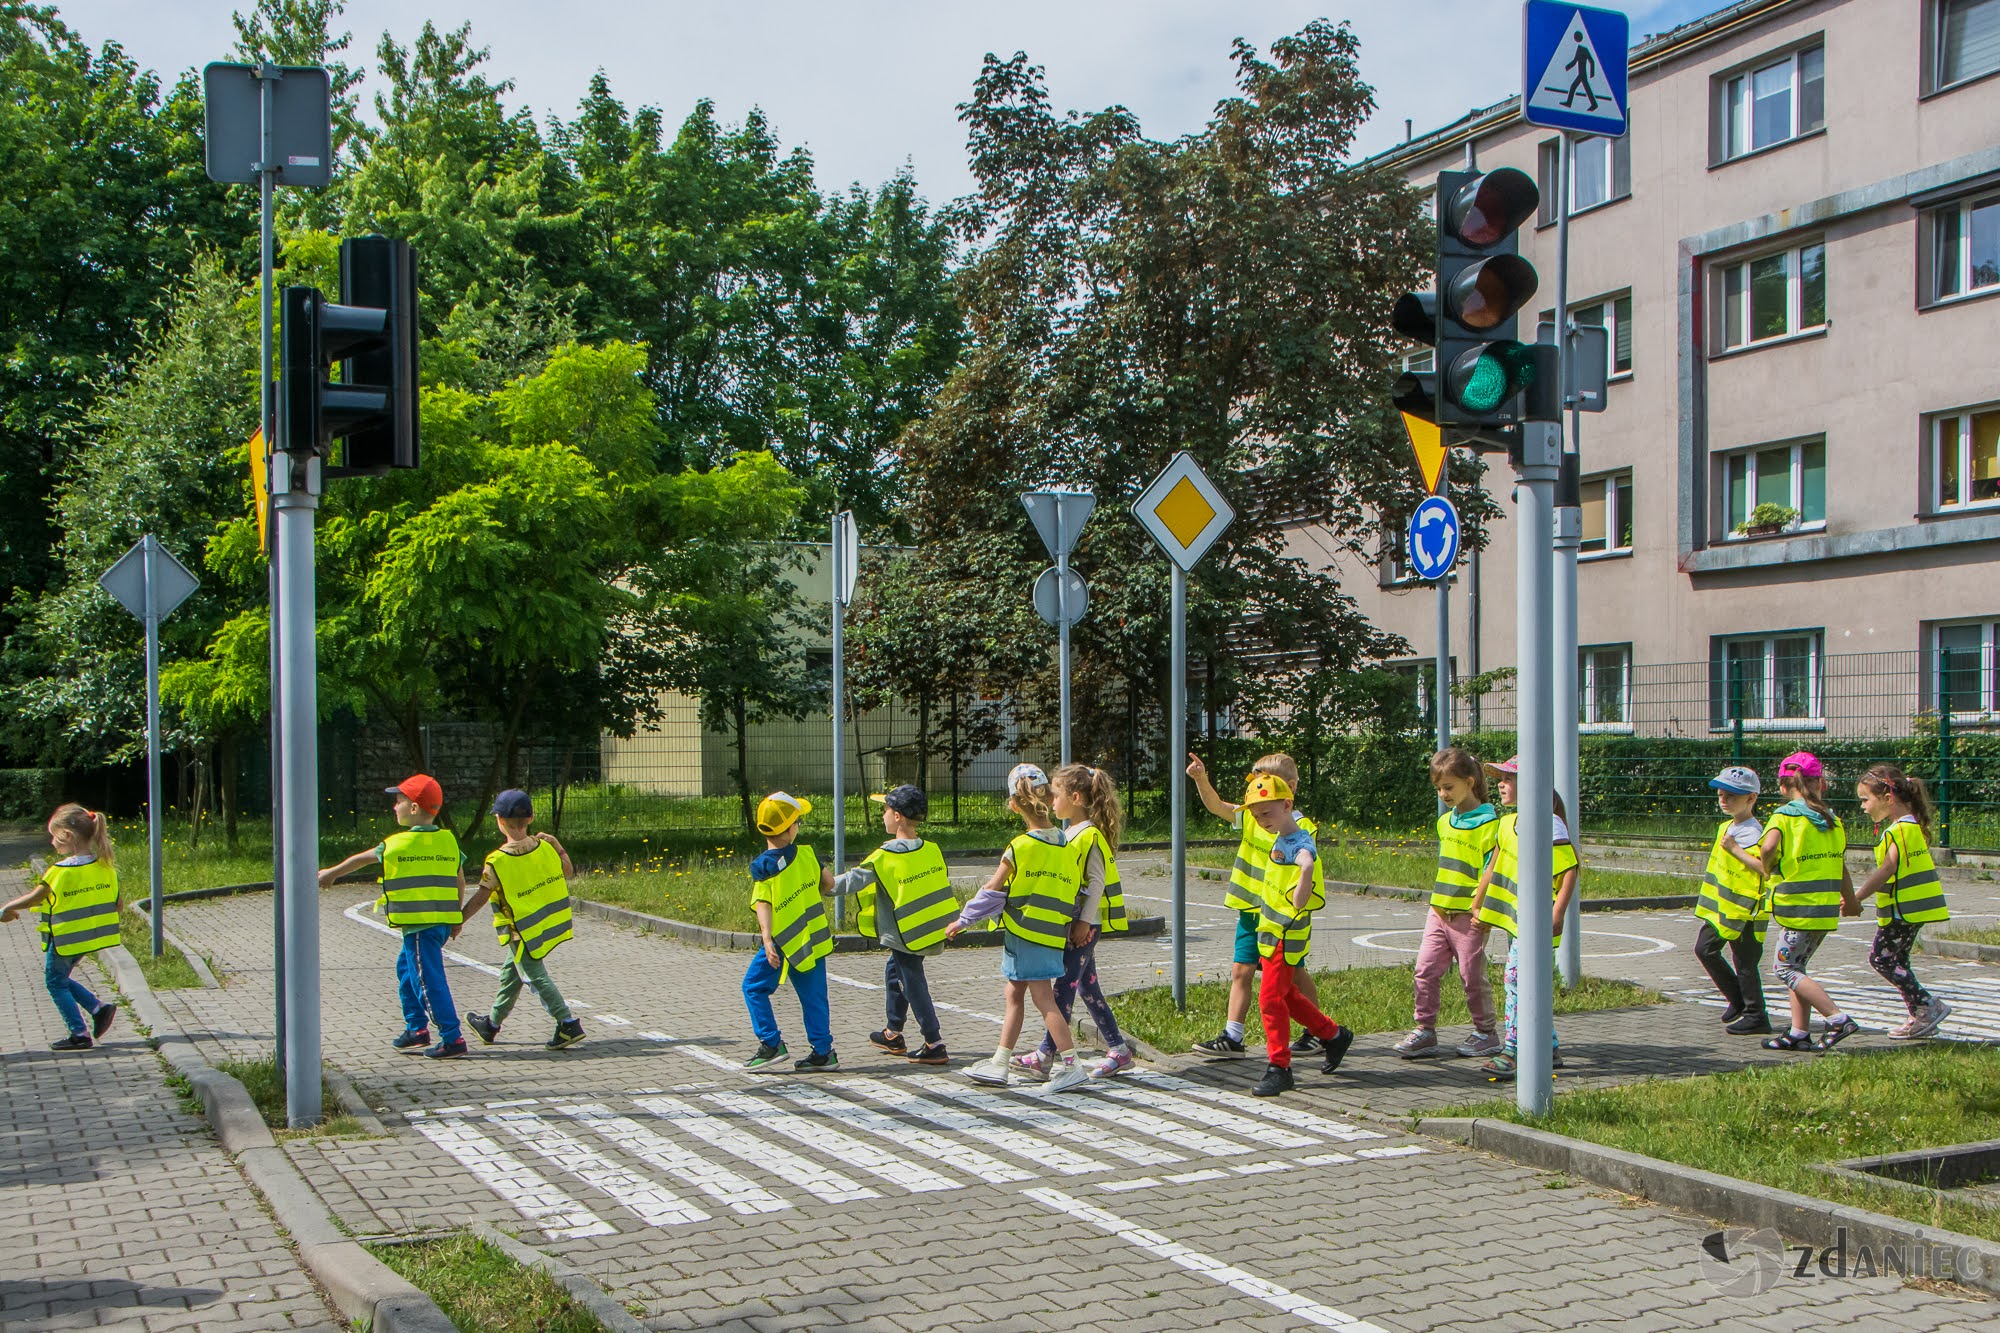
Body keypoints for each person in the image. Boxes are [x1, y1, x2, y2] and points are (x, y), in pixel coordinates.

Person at [944, 763, 1090, 1092]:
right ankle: (1000, 1061)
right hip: (1051, 933)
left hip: (1025, 933)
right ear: (1049, 796)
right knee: (1015, 993)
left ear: (1013, 804)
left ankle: (1071, 1064)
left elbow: (992, 890)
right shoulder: (1067, 844)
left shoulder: (1020, 846)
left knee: (1042, 999)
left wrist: (963, 920)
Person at [1185, 752, 1325, 1060]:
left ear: (1288, 789)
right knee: (1241, 970)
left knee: (1295, 976)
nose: (1256, 786)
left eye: (1264, 780)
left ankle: (1316, 1032)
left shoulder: (1300, 827)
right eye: (1254, 779)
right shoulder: (1252, 814)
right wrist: (1201, 779)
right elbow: (1217, 806)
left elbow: (1305, 862)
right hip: (1250, 911)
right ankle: (1232, 1036)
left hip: (1281, 917)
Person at [319, 775, 468, 1058]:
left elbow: (360, 859)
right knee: (406, 971)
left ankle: (452, 1038)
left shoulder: (396, 844)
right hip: (437, 923)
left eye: (398, 801)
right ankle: (417, 1030)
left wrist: (330, 874)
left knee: (428, 980)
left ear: (413, 808)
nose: (393, 807)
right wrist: (457, 916)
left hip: (419, 926)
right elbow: (459, 878)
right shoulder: (447, 840)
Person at [1015, 763, 1137, 1081]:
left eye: (1056, 794)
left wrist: (1083, 923)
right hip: (1076, 923)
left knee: (1063, 989)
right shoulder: (1068, 833)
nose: (1051, 800)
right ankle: (1119, 1050)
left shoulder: (1089, 835)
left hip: (1085, 925)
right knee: (1086, 985)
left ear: (1076, 797)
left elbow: (1096, 883)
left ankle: (1045, 1055)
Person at [1241, 774, 1351, 1097]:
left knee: (1270, 999)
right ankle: (1333, 1035)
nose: (1261, 822)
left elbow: (1305, 866)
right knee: (1286, 994)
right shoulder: (1279, 837)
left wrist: (1305, 870)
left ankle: (1280, 1067)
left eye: (1266, 814)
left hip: (1285, 935)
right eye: (1257, 816)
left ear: (1287, 805)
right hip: (1270, 930)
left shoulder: (1301, 844)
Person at [1470, 758, 1579, 1079]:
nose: (1501, 784)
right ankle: (1549, 1046)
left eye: (1509, 779)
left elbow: (1570, 868)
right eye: (1500, 778)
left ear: (1532, 786)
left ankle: (1515, 1050)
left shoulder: (1548, 822)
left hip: (1538, 922)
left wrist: (1557, 913)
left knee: (1516, 980)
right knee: (1524, 980)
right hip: (1517, 920)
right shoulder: (1508, 823)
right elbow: (1494, 866)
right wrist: (1479, 905)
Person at [1394, 748, 1501, 1059]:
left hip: (1469, 916)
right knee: (1424, 970)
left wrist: (1484, 912)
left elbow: (1489, 874)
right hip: (1438, 911)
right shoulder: (1445, 823)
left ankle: (1486, 1032)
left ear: (1469, 782)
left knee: (1472, 977)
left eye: (1449, 787)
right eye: (1438, 789)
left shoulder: (1489, 826)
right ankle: (1424, 1030)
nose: (1443, 794)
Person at [460, 790, 586, 1051]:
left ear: (499, 820)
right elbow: (568, 870)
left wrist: (457, 920)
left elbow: (481, 897)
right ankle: (491, 1025)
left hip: (521, 930)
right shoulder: (546, 848)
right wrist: (557, 844)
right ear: (531, 817)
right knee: (511, 975)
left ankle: (567, 1022)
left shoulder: (497, 861)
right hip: (544, 925)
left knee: (535, 976)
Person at [1754, 752, 1863, 1053]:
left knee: (1784, 968)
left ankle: (1837, 1019)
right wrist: (1851, 901)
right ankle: (1799, 1032)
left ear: (1782, 784)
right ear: (1819, 784)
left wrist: (1767, 867)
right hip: (1824, 909)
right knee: (1798, 966)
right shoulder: (1832, 820)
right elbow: (1841, 865)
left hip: (1796, 908)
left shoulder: (1784, 816)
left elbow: (1769, 847)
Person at [842, 784, 953, 1066]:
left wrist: (819, 882)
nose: (883, 815)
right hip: (927, 928)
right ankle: (893, 1033)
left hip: (904, 933)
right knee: (895, 973)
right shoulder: (931, 849)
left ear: (899, 816)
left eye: (886, 810)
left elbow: (850, 882)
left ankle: (934, 1042)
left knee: (912, 982)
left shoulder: (883, 857)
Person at [1, 804, 119, 1050]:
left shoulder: (60, 871)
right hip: (90, 938)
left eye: (54, 836)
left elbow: (36, 897)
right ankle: (99, 1009)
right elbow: (117, 905)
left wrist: (6, 908)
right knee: (60, 979)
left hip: (65, 938)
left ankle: (79, 1034)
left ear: (67, 836)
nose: (52, 842)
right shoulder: (104, 867)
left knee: (54, 982)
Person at [741, 791, 840, 1073]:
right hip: (812, 938)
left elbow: (764, 903)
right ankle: (823, 1053)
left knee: (753, 987)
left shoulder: (764, 867)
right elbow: (829, 883)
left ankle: (771, 1044)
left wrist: (767, 939)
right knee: (814, 997)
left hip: (783, 941)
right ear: (789, 828)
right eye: (798, 821)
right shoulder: (808, 854)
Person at [1853, 763, 1952, 1039]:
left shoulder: (1899, 831)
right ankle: (1921, 1015)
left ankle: (1927, 1006)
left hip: (1904, 910)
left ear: (1887, 798)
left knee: (1881, 959)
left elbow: (1887, 870)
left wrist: (1856, 897)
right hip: (1912, 909)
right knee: (1897, 960)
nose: (1863, 806)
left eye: (1865, 800)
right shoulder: (1911, 826)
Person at [1692, 765, 1773, 1035]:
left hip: (1746, 910)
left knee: (1745, 963)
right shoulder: (1727, 826)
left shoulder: (1753, 832)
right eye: (1721, 794)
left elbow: (1764, 868)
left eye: (1733, 796)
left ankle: (1755, 1014)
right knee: (1705, 949)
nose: (1724, 800)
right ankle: (1739, 1000)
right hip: (1724, 909)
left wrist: (1735, 849)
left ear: (1751, 799)